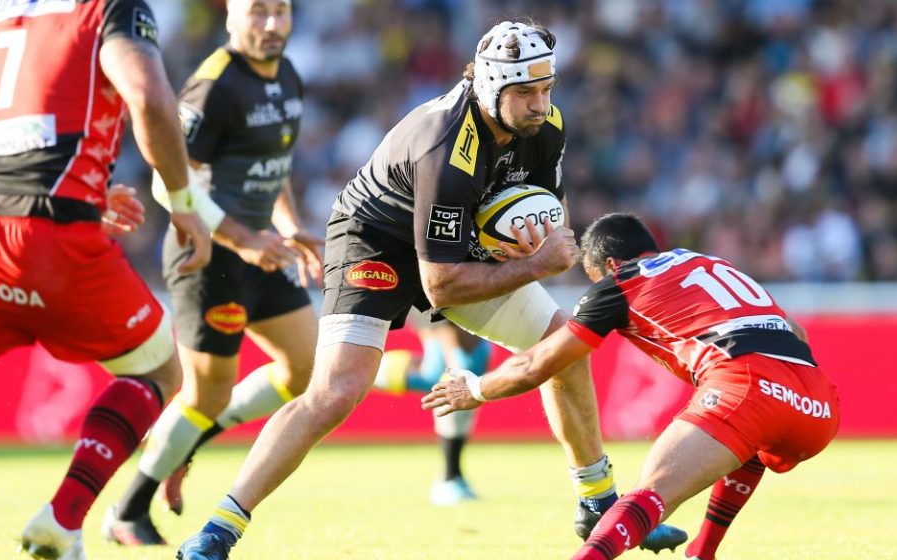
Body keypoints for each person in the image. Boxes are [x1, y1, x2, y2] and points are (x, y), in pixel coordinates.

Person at [176, 20, 685, 559]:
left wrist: (525, 252)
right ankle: (218, 529)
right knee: (335, 390)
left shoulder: (547, 126)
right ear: (491, 87)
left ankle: (598, 505)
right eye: (526, 93)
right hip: (374, 241)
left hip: (460, 243)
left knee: (562, 346)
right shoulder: (447, 146)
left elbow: (532, 212)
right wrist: (535, 265)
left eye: (546, 89)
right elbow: (439, 286)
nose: (541, 104)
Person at [423, 213, 841, 560]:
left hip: (747, 384)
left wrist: (475, 390)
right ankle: (703, 552)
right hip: (819, 403)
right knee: (751, 436)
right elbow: (797, 334)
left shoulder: (619, 283)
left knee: (653, 493)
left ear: (605, 267)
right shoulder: (708, 263)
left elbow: (539, 363)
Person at [0, 0, 213, 558]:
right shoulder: (109, 8)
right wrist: (181, 202)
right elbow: (151, 98)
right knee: (158, 369)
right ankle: (62, 518)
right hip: (46, 239)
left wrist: (80, 190)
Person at [102, 0, 323, 546]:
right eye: (258, 12)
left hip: (263, 248)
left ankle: (192, 439)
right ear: (230, 15)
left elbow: (276, 164)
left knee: (308, 370)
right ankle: (126, 512)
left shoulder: (288, 75)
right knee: (205, 394)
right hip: (208, 256)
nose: (272, 25)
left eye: (281, 12)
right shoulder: (213, 87)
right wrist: (243, 239)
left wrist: (289, 224)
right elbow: (166, 183)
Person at [373, 318, 492, 505]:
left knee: (446, 374)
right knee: (459, 377)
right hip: (446, 304)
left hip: (469, 309)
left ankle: (453, 477)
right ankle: (450, 478)